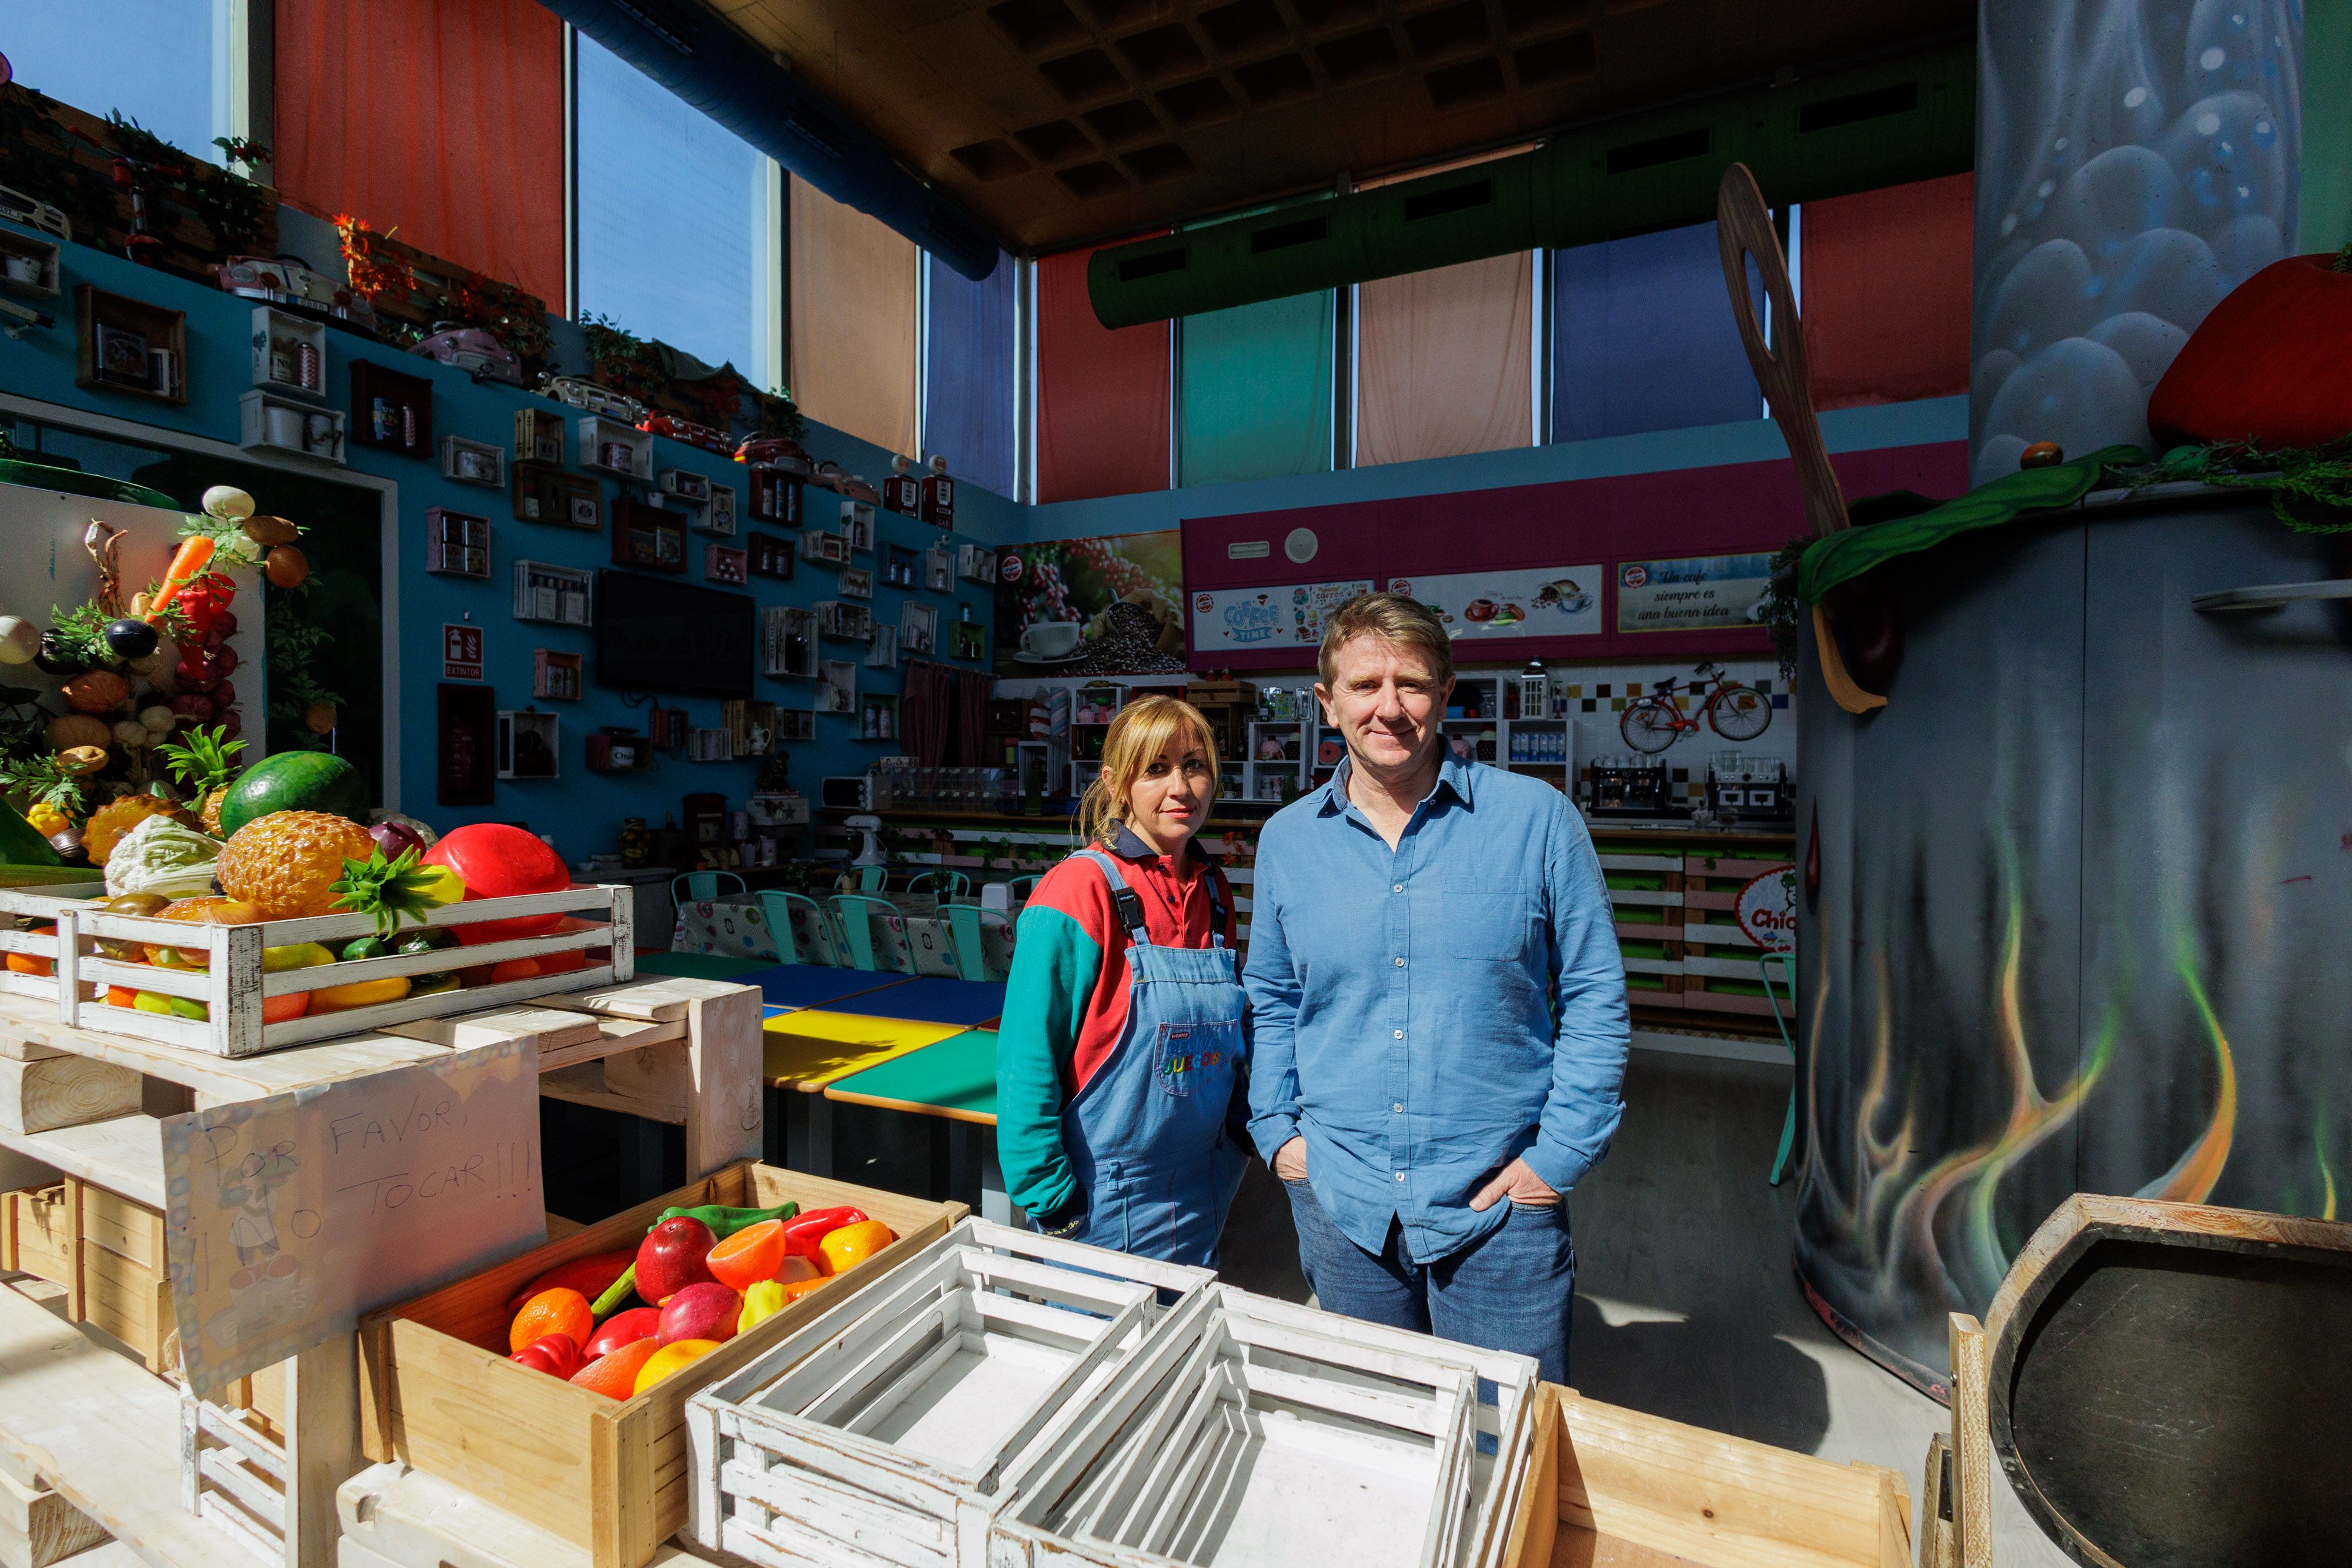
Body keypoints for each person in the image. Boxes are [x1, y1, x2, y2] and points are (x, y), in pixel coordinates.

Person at [1244, 593, 1628, 1382]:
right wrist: (1279, 1135)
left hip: (1498, 1209)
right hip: (1341, 1202)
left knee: (1507, 1441)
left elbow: (1594, 991)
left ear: (1448, 691)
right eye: (1364, 685)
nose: (1389, 707)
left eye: (1412, 683)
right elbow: (1274, 995)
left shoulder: (1537, 821)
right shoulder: (1287, 840)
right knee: (1377, 1430)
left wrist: (1556, 1159)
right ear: (1326, 701)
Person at [995, 694, 1249, 1266]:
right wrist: (1052, 1200)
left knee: (1184, 1349)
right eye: (1155, 769)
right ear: (1115, 783)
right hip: (1102, 1200)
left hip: (1205, 1185)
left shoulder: (1215, 890)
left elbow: (1232, 1035)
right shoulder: (1076, 890)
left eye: (1194, 765)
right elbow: (1026, 1060)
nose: (1180, 787)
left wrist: (1239, 1127)